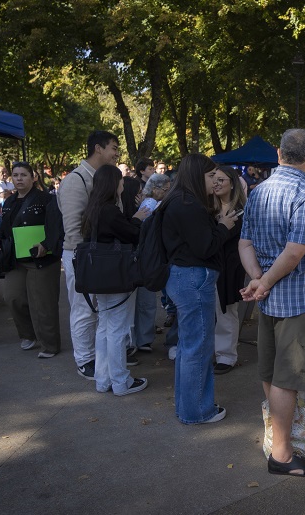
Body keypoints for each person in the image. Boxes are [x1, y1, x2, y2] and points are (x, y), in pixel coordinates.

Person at [239, 128, 305, 477]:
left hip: (270, 298)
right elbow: (294, 253)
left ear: (279, 154)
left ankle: (278, 439)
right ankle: (281, 454)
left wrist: (257, 281)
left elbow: (245, 243)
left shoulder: (259, 190)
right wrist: (262, 282)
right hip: (300, 299)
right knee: (288, 376)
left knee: (271, 371)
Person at [162, 155, 237, 422]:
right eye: (210, 176)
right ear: (196, 175)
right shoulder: (187, 204)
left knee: (189, 347)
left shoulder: (180, 200)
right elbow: (204, 246)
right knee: (198, 348)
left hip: (185, 278)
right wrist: (223, 226)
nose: (215, 181)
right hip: (193, 279)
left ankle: (188, 408)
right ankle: (197, 411)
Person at [82, 164, 150, 396]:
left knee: (104, 327)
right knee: (117, 329)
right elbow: (132, 234)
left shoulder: (92, 209)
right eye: (120, 180)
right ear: (113, 183)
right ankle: (121, 381)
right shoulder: (110, 210)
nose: (123, 184)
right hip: (115, 274)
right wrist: (139, 218)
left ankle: (103, 380)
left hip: (98, 275)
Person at [58, 130, 120, 380]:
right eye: (113, 148)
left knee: (98, 309)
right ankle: (84, 360)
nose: (116, 153)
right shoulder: (76, 180)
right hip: (81, 256)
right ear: (98, 148)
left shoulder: (101, 177)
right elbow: (73, 229)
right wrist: (85, 259)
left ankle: (98, 355)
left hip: (98, 256)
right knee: (83, 309)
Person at [0, 162, 64, 359]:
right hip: (16, 258)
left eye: (23, 175)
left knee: (43, 302)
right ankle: (28, 335)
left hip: (42, 259)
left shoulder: (47, 199)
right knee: (12, 296)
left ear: (34, 177)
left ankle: (50, 344)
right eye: (15, 175)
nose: (19, 179)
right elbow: (4, 227)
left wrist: (46, 244)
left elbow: (56, 227)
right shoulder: (9, 202)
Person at [212, 165, 247, 375]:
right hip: (210, 265)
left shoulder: (242, 209)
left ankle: (226, 355)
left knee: (227, 310)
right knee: (210, 311)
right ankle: (212, 352)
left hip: (230, 267)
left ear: (232, 183)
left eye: (221, 180)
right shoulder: (208, 208)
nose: (216, 183)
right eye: (214, 179)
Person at [131, 173, 172, 353]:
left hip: (146, 256)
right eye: (166, 189)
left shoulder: (148, 203)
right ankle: (143, 339)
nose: (167, 192)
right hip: (150, 256)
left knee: (145, 301)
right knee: (146, 301)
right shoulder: (151, 205)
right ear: (155, 189)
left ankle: (142, 339)